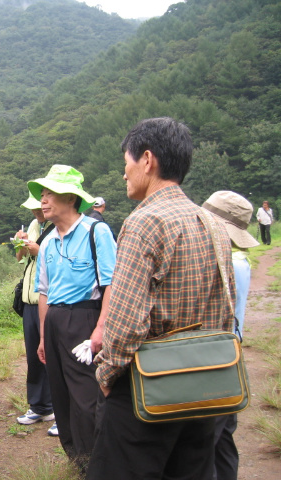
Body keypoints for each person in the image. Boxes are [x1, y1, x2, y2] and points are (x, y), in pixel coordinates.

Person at [88, 118, 235, 480]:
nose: (125, 172)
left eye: (127, 161)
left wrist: (107, 372)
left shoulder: (144, 221)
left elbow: (126, 321)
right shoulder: (211, 221)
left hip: (149, 384)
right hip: (204, 384)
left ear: (147, 160)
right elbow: (226, 308)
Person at [29, 165, 116, 468]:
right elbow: (44, 292)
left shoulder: (96, 231)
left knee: (86, 396)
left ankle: (99, 462)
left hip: (84, 319)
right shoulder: (49, 241)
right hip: (54, 321)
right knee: (62, 394)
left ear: (70, 197)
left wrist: (101, 329)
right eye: (43, 193)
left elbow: (110, 285)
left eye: (49, 193)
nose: (43, 199)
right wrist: (42, 336)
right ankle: (77, 458)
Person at [202, 191, 259, 480]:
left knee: (203, 443)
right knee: (223, 436)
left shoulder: (228, 262)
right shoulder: (240, 260)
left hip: (214, 359)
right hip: (229, 356)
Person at [13, 192, 56, 436]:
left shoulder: (56, 225)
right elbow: (21, 259)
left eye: (38, 209)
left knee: (51, 354)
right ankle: (38, 406)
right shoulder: (34, 224)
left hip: (49, 300)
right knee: (33, 355)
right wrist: (20, 244)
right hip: (30, 300)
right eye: (33, 210)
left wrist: (37, 248)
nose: (36, 214)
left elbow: (53, 259)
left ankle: (58, 408)